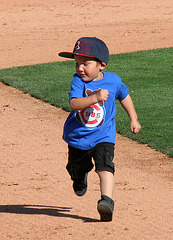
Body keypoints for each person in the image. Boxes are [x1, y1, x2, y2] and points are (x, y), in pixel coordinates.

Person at [58, 37, 141, 221]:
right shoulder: (79, 82)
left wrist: (133, 119)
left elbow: (125, 96)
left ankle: (107, 201)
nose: (80, 68)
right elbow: (74, 104)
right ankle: (78, 176)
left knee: (106, 166)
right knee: (78, 168)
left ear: (101, 65)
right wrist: (95, 97)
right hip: (78, 137)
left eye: (85, 63)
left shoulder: (114, 81)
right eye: (77, 63)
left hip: (104, 135)